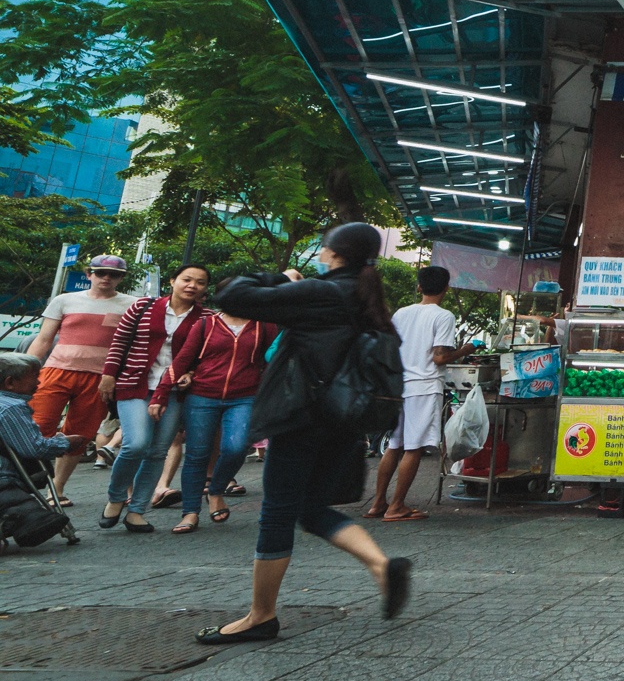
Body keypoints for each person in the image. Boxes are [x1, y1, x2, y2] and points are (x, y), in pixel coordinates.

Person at [193, 222, 410, 645]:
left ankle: (261, 615)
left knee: (276, 510)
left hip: (301, 417)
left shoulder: (323, 291)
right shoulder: (368, 299)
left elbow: (231, 295)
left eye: (323, 248)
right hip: (343, 420)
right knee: (308, 508)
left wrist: (282, 279)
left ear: (333, 253)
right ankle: (381, 566)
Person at [154, 284, 278, 534]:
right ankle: (189, 512)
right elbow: (183, 359)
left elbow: (274, 358)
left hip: (244, 397)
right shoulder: (205, 324)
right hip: (202, 396)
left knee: (236, 447)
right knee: (197, 455)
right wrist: (161, 393)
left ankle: (216, 489)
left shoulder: (264, 325)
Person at [99, 263, 211, 532]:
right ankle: (116, 498)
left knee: (158, 451)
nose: (192, 285)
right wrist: (108, 374)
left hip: (174, 391)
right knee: (135, 444)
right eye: (186, 279)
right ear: (172, 280)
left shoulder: (206, 317)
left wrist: (192, 373)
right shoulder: (142, 307)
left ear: (205, 289)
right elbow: (120, 341)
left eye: (200, 282)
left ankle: (137, 510)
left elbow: (205, 356)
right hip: (134, 384)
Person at [25, 255, 134, 506]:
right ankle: (24, 487)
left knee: (79, 434)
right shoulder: (65, 300)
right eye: (99, 273)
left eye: (113, 274)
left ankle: (57, 490)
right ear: (89, 275)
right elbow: (43, 340)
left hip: (100, 379)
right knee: (37, 428)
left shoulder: (132, 304)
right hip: (56, 371)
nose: (106, 278)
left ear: (121, 278)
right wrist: (24, 371)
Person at [366, 266, 460, 522]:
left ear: (419, 287)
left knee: (394, 445)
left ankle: (377, 503)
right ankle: (396, 506)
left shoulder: (401, 313)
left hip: (400, 386)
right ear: (446, 289)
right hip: (425, 386)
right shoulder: (444, 316)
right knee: (414, 447)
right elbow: (440, 357)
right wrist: (468, 348)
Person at [1, 353, 71, 502]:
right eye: (34, 376)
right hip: (6, 478)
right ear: (10, 383)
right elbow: (34, 448)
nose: (38, 382)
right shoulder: (12, 408)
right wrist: (67, 443)